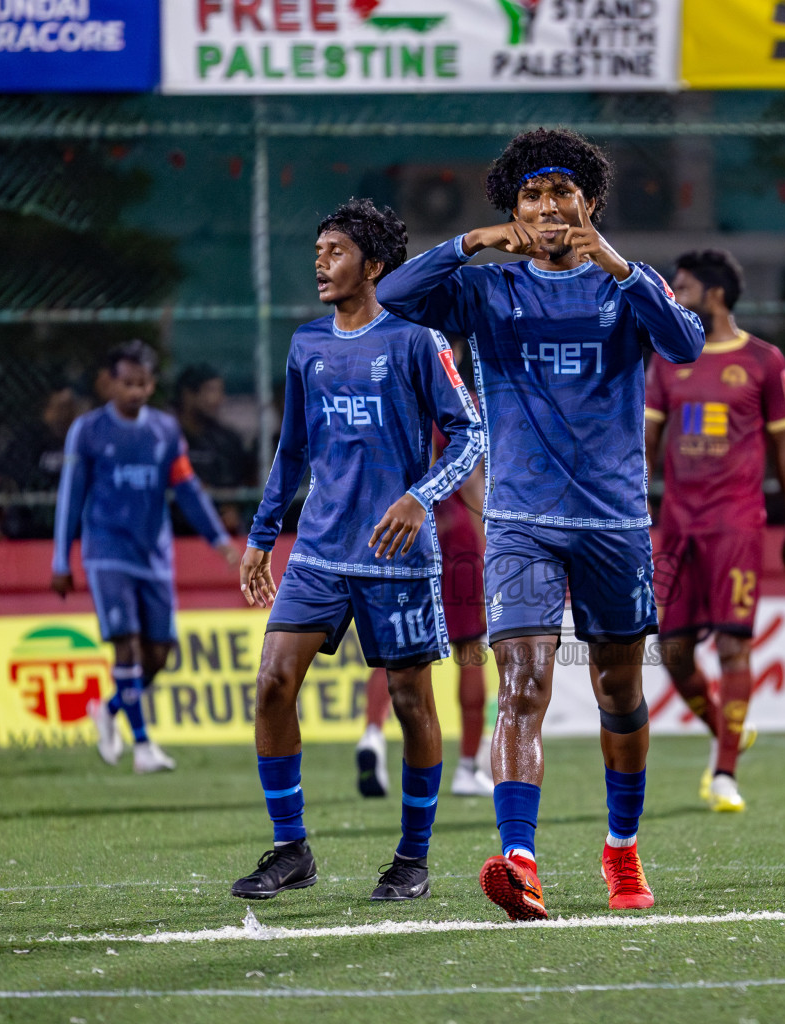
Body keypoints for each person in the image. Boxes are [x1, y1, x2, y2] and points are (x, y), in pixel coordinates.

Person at [377, 128, 705, 920]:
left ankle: (621, 853)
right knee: (521, 683)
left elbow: (685, 345)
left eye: (563, 192)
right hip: (520, 520)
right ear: (514, 210)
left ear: (590, 202)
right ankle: (519, 861)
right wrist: (470, 241)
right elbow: (395, 297)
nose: (548, 206)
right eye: (531, 195)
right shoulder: (487, 290)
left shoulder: (626, 286)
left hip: (615, 523)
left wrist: (618, 263)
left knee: (620, 693)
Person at [233, 199, 484, 905]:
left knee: (410, 699)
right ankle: (291, 850)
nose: (321, 261)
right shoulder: (306, 345)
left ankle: (412, 857)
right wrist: (260, 537)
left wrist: (419, 496)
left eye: (336, 251)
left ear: (374, 266)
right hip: (317, 552)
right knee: (273, 682)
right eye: (318, 249)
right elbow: (293, 449)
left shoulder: (417, 340)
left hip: (396, 556)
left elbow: (469, 434)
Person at [644, 249, 785, 814]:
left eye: (682, 287)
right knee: (673, 653)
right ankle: (725, 730)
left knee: (735, 645)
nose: (673, 294)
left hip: (736, 524)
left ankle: (726, 773)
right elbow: (648, 448)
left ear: (714, 295)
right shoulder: (666, 360)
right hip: (678, 527)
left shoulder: (764, 361)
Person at [51, 341, 238, 775]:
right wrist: (61, 560)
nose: (134, 391)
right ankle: (143, 747)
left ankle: (111, 707)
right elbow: (70, 497)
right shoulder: (89, 430)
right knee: (127, 643)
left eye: (142, 383)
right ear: (109, 384)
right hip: (107, 552)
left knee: (158, 655)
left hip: (154, 554)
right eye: (126, 382)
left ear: (152, 385)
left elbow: (186, 488)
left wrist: (216, 537)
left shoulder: (166, 431)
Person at [357, 353, 495, 800]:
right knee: (470, 649)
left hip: (397, 533)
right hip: (453, 538)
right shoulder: (460, 401)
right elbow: (471, 482)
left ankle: (373, 735)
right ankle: (468, 766)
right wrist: (489, 545)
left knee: (396, 649)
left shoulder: (388, 396)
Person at [174, 364, 252, 535]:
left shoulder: (229, 440)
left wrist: (236, 510)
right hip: (178, 534)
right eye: (211, 391)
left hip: (222, 537)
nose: (219, 399)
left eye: (220, 391)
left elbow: (247, 484)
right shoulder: (168, 438)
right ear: (188, 395)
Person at [0, 384, 82, 540]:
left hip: (75, 520)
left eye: (70, 408)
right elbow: (11, 472)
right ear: (47, 411)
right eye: (60, 408)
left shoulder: (83, 440)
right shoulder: (29, 439)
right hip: (33, 520)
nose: (65, 414)